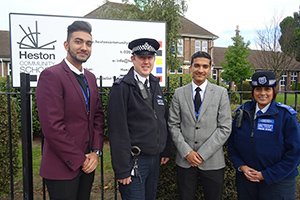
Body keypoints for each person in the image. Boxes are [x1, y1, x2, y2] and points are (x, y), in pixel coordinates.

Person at [36, 21, 105, 200]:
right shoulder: (52, 75)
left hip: (88, 164)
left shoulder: (90, 77)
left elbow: (97, 117)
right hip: (62, 168)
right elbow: (52, 127)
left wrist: (96, 152)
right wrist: (80, 159)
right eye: (78, 41)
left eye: (88, 43)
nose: (84, 47)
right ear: (66, 45)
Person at [107, 38, 171, 200]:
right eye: (142, 57)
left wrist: (165, 148)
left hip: (154, 159)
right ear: (133, 59)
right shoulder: (121, 88)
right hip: (134, 161)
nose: (146, 62)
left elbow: (162, 118)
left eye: (150, 58)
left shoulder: (155, 84)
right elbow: (117, 131)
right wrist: (122, 169)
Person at [168, 51, 232, 200]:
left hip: (213, 162)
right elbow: (173, 125)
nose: (200, 70)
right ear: (190, 67)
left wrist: (202, 154)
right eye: (196, 65)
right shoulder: (179, 93)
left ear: (210, 69)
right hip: (185, 160)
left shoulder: (221, 93)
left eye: (205, 66)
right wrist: (187, 152)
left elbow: (225, 127)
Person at [227, 71, 300, 200]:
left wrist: (266, 175)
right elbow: (232, 143)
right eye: (258, 89)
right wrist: (241, 166)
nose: (262, 93)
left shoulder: (286, 116)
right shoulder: (242, 112)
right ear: (253, 91)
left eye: (267, 89)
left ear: (274, 91)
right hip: (247, 181)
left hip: (277, 182)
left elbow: (295, 153)